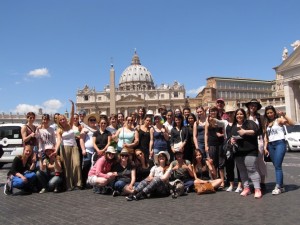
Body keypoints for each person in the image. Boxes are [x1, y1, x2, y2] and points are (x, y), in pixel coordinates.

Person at [230, 108, 262, 198]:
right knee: (242, 170)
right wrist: (231, 140)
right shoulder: (233, 126)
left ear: (244, 115)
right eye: (237, 114)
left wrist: (245, 132)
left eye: (241, 114)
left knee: (251, 169)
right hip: (238, 151)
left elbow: (256, 131)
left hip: (250, 150)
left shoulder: (249, 123)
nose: (239, 116)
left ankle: (257, 189)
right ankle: (246, 188)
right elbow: (230, 137)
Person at [264, 105, 294, 195]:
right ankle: (281, 186)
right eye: (268, 113)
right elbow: (266, 137)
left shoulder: (279, 120)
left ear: (274, 113)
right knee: (276, 165)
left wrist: (284, 115)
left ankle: (278, 186)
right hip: (271, 145)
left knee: (277, 166)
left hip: (280, 143)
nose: (269, 114)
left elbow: (292, 124)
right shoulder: (267, 123)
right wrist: (265, 147)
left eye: (271, 112)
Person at [55, 100, 82, 191]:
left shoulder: (70, 125)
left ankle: (78, 183)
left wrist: (73, 105)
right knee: (67, 167)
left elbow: (72, 114)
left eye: (63, 119)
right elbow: (58, 141)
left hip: (74, 147)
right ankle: (69, 185)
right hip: (65, 148)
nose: (63, 121)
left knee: (77, 164)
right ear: (59, 121)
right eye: (61, 120)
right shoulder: (59, 130)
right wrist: (55, 151)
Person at [245, 99, 267, 191]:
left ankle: (262, 182)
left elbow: (264, 131)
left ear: (257, 107)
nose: (252, 107)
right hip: (248, 142)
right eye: (251, 105)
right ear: (249, 106)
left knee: (260, 161)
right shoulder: (245, 117)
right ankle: (254, 182)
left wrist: (265, 144)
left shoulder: (260, 117)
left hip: (258, 140)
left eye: (254, 105)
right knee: (250, 162)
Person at [204, 106, 225, 187]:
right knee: (213, 163)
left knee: (221, 163)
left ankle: (222, 181)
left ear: (217, 112)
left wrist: (221, 134)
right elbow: (206, 134)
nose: (213, 113)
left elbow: (226, 132)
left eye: (214, 111)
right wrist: (206, 145)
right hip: (211, 144)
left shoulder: (220, 121)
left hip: (220, 143)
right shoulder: (208, 121)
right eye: (211, 111)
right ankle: (215, 181)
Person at [80, 113, 100, 189]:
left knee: (94, 167)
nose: (92, 121)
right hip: (88, 150)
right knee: (86, 166)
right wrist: (83, 149)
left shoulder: (98, 128)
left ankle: (91, 182)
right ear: (88, 121)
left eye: (94, 120)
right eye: (91, 120)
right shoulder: (85, 129)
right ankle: (83, 182)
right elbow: (81, 140)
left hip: (96, 150)